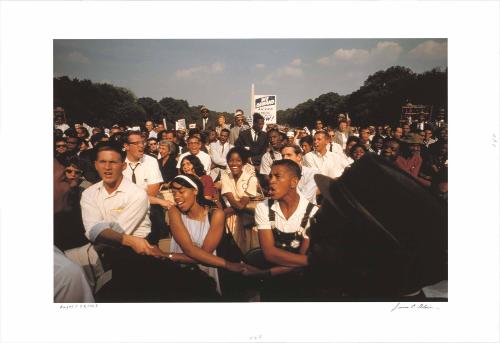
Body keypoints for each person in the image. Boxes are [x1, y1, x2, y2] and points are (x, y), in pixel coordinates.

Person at [167, 174, 249, 295]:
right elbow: (190, 250)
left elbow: (203, 255)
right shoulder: (174, 211)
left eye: (181, 191)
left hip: (208, 274)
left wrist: (168, 255)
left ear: (195, 191)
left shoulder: (216, 215)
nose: (176, 197)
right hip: (182, 274)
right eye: (174, 193)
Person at [250, 159, 319, 301]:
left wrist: (265, 273)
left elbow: (301, 262)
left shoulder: (312, 212)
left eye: (277, 176)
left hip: (302, 285)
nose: (271, 181)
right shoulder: (264, 207)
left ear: (294, 182)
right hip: (272, 285)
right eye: (270, 176)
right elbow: (270, 253)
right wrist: (312, 261)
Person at [220, 147, 260, 254]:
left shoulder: (251, 179)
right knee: (233, 250)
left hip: (247, 219)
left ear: (243, 162)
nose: (234, 163)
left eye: (238, 160)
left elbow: (241, 206)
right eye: (231, 160)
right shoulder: (225, 177)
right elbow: (233, 201)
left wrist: (225, 212)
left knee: (249, 247)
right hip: (231, 220)